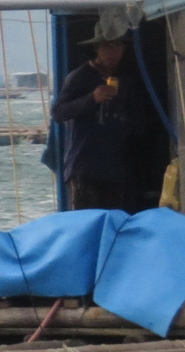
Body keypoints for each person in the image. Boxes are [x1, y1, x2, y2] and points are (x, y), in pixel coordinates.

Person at [50, 16, 167, 213]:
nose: (113, 52)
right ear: (97, 48)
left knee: (115, 222)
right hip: (85, 167)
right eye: (107, 47)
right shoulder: (80, 77)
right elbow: (59, 112)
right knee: (87, 223)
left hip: (117, 169)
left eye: (117, 46)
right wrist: (92, 98)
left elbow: (138, 123)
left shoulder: (126, 81)